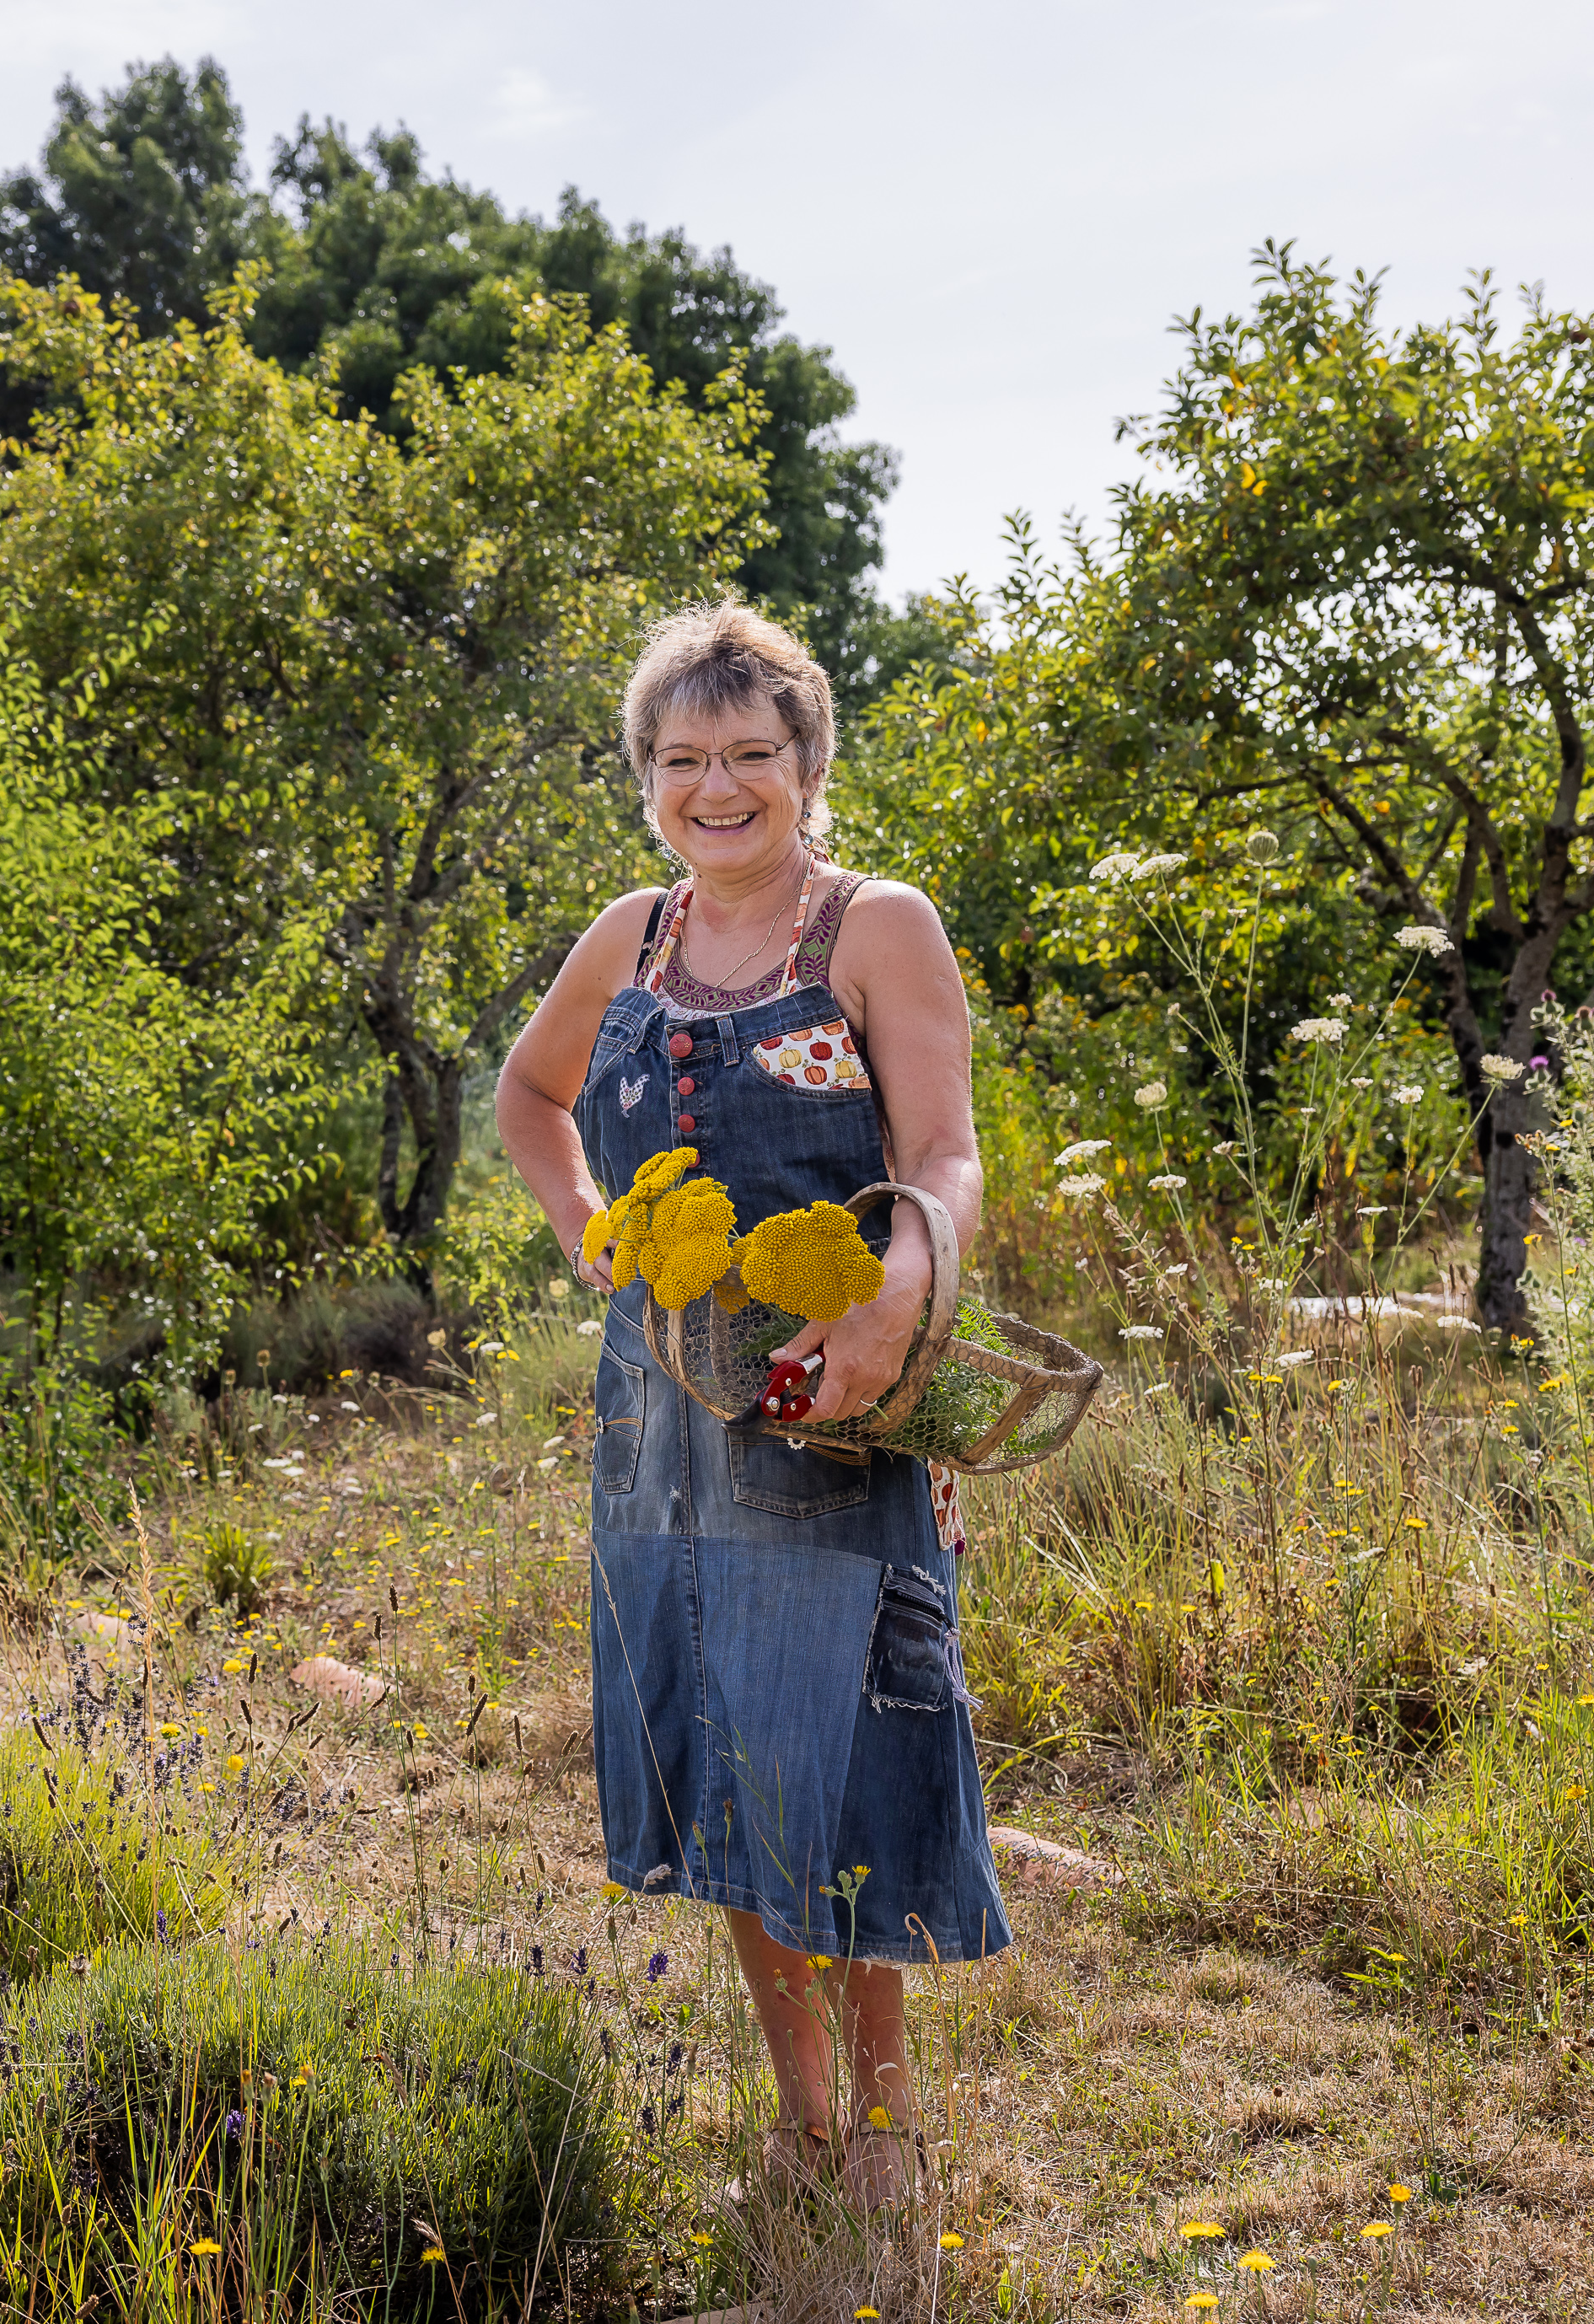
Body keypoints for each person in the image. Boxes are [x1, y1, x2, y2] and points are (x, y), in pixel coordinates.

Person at [494, 599, 1004, 2209]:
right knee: (718, 1758)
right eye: (681, 757)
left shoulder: (874, 925)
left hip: (834, 1415)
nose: (716, 786)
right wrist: (591, 1237)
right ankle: (799, 2125)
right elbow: (527, 1092)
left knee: (837, 1754)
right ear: (645, 775)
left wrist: (898, 1294)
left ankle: (890, 2141)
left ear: (805, 762)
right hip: (657, 1438)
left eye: (749, 753)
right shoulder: (631, 934)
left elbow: (944, 1156)